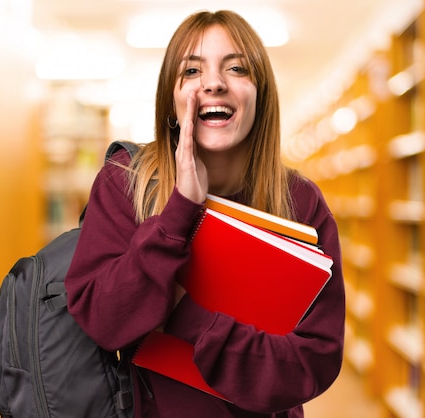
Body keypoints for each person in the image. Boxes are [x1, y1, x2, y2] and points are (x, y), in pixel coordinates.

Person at [65, 9, 345, 418]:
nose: (214, 83)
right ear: (171, 97)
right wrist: (180, 210)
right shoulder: (125, 183)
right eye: (192, 70)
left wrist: (184, 315)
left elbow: (310, 366)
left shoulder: (301, 204)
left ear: (260, 95)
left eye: (236, 68)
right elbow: (104, 321)